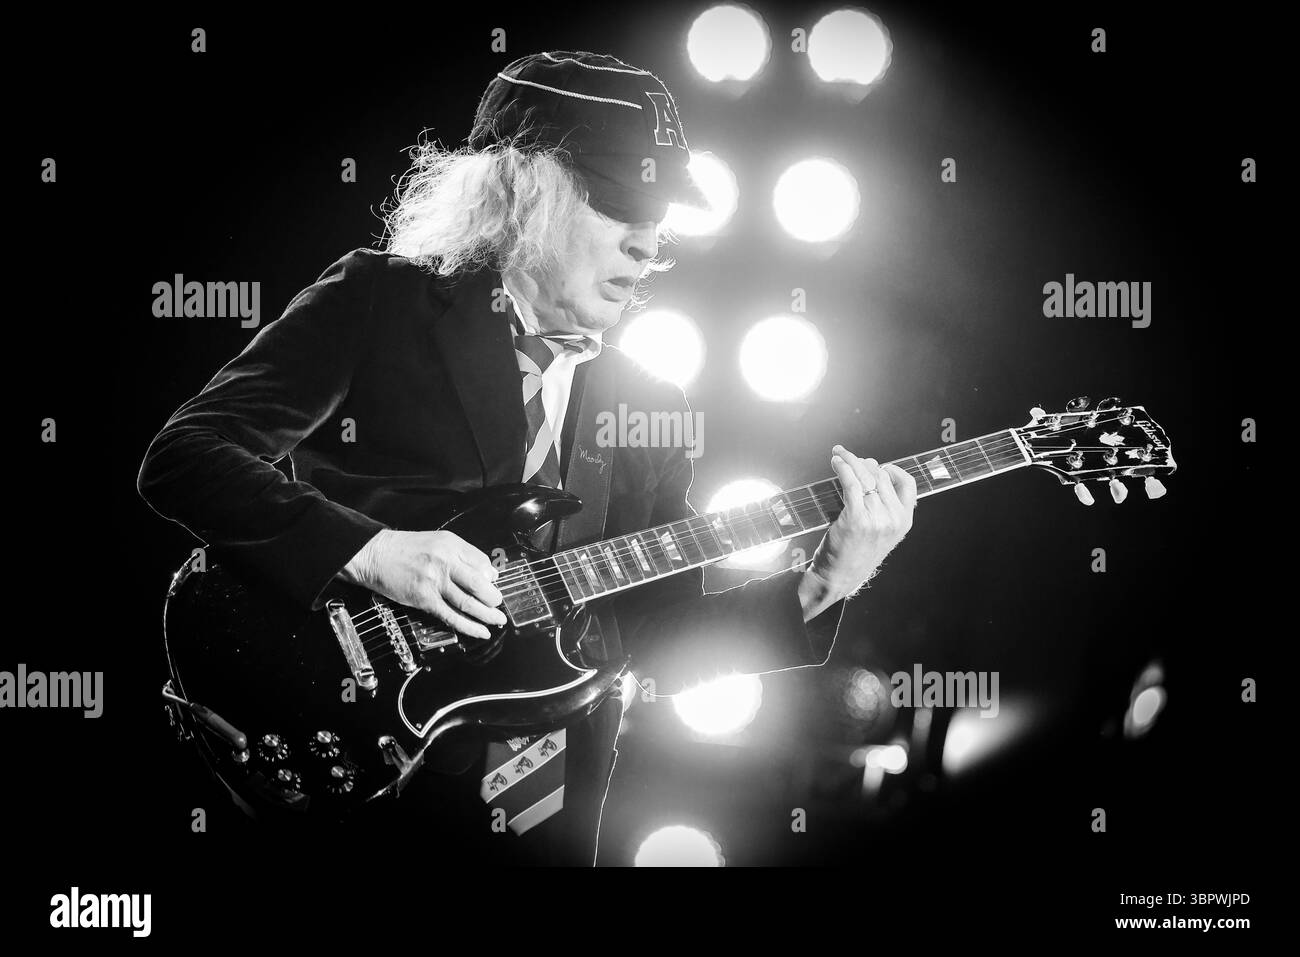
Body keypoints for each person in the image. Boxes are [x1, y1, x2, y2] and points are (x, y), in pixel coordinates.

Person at [138, 50, 917, 865]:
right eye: (621, 202)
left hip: (550, 816)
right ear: (521, 189)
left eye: (661, 216)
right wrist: (372, 553)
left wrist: (827, 579)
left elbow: (656, 628)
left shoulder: (650, 400)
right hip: (352, 762)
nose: (649, 244)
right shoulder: (383, 302)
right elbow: (186, 454)